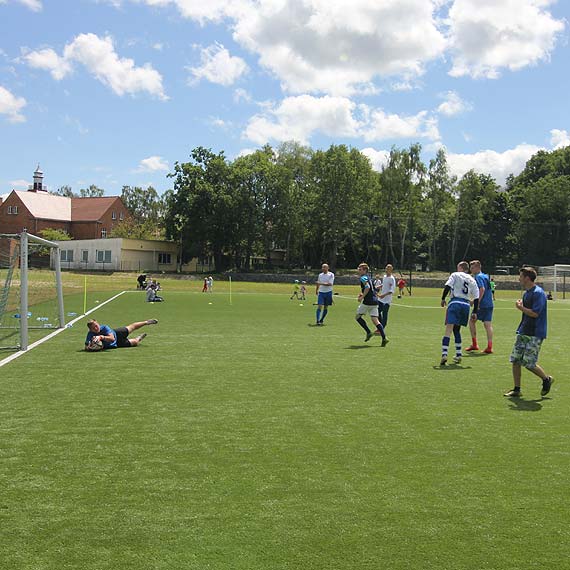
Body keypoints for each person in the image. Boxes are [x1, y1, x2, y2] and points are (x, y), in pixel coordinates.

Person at [504, 267, 554, 398]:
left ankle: (546, 379)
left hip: (535, 333)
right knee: (515, 360)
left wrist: (520, 307)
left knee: (529, 363)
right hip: (524, 331)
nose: (519, 278)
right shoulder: (526, 293)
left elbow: (535, 313)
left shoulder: (538, 293)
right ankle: (516, 389)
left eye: (521, 276)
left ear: (527, 278)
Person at [440, 261, 479, 366]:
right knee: (457, 329)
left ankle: (444, 354)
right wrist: (475, 311)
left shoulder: (455, 275)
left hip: (455, 302)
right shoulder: (472, 279)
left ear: (461, 268)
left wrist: (443, 298)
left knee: (449, 328)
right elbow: (476, 297)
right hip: (465, 305)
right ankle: (458, 354)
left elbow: (448, 286)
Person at [355, 263, 388, 345]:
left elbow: (367, 287)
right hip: (375, 301)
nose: (359, 270)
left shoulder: (363, 278)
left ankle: (368, 332)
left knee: (358, 317)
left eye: (360, 269)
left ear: (365, 270)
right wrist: (362, 294)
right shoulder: (369, 278)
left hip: (367, 302)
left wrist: (362, 297)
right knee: (375, 320)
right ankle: (384, 338)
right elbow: (372, 290)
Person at [465, 260, 494, 353]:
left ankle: (474, 344)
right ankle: (489, 346)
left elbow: (482, 289)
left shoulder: (478, 277)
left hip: (482, 305)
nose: (471, 269)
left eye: (472, 267)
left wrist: (475, 302)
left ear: (478, 267)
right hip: (489, 304)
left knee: (471, 321)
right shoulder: (485, 276)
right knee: (487, 324)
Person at [85, 318, 158, 351]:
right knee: (135, 342)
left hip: (117, 334)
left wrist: (101, 337)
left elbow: (112, 338)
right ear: (90, 329)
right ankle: (139, 338)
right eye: (93, 328)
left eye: (96, 325)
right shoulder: (90, 334)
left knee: (132, 327)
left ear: (98, 323)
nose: (95, 328)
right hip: (117, 345)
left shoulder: (104, 327)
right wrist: (90, 347)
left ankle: (146, 322)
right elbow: (86, 346)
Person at [377, 264, 396, 328]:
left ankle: (382, 327)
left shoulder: (392, 279)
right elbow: (384, 284)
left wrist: (383, 295)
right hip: (381, 299)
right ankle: (380, 326)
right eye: (386, 268)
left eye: (388, 268)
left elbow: (391, 291)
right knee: (377, 312)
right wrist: (380, 286)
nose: (386, 270)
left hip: (387, 300)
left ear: (391, 270)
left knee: (384, 313)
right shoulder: (384, 276)